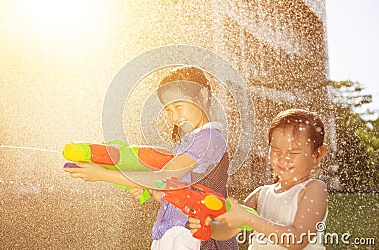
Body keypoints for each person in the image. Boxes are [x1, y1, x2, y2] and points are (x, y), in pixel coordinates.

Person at [64, 65, 238, 250]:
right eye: (168, 110)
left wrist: (102, 175)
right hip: (173, 234)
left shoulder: (210, 138)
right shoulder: (189, 141)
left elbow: (161, 178)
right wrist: (155, 192)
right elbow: (179, 193)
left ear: (202, 96)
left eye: (179, 106)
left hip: (198, 238)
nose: (174, 117)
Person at [189, 109, 328, 249]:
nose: (283, 158)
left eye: (293, 152)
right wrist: (210, 227)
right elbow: (229, 230)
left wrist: (249, 218)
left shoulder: (314, 189)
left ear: (317, 154)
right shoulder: (260, 194)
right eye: (275, 150)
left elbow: (297, 240)